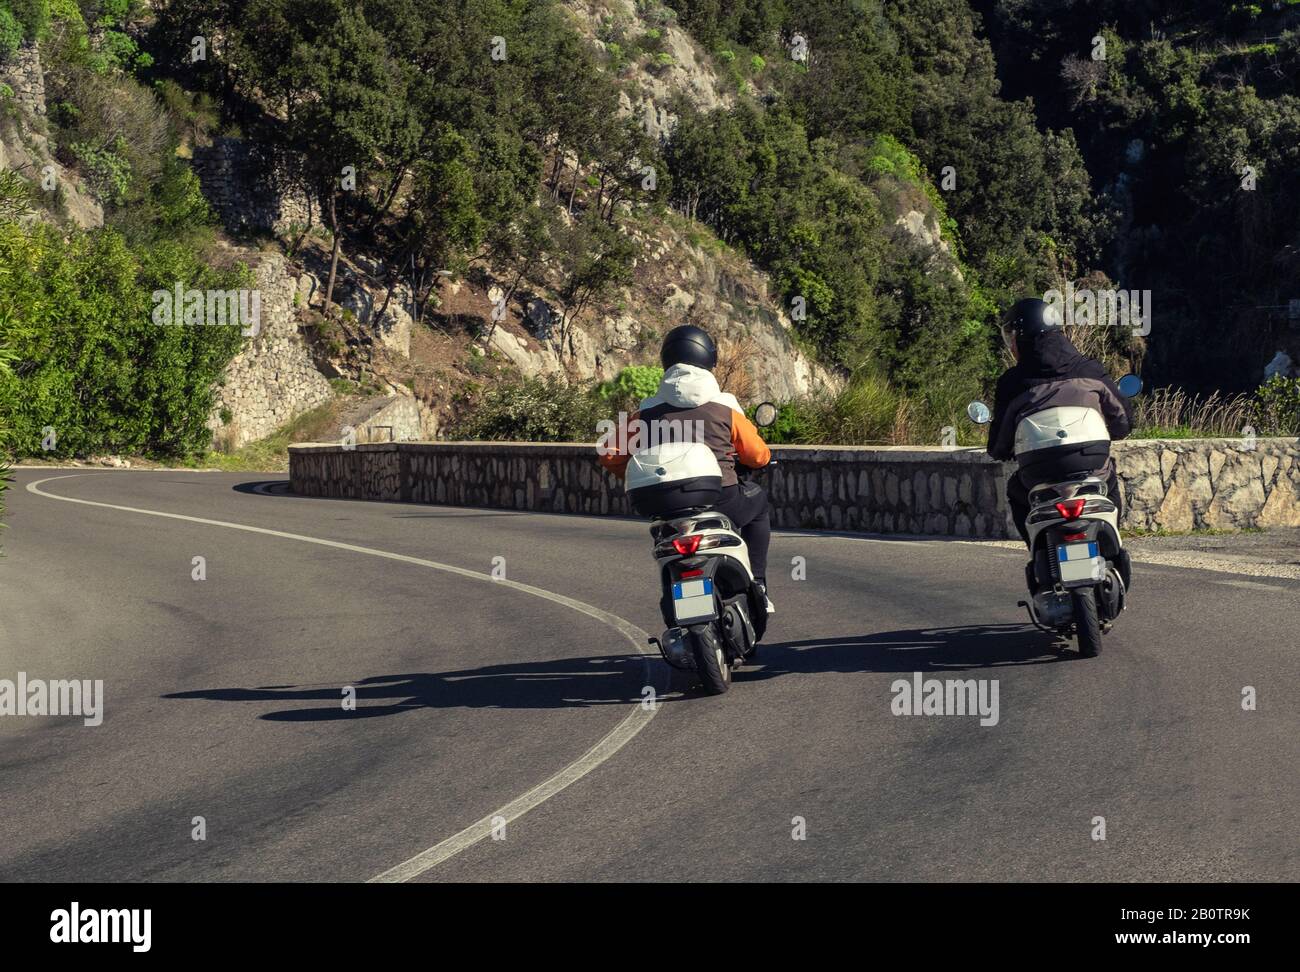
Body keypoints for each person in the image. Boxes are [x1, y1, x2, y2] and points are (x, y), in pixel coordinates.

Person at [598, 324, 775, 612]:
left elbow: (609, 454)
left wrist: (635, 471)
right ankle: (758, 583)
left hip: (666, 507)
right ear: (709, 359)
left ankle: (685, 603)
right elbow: (757, 457)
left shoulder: (645, 411)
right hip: (722, 500)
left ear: (666, 360)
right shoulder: (725, 406)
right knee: (759, 504)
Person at [986, 298, 1133, 553]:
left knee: (1016, 490)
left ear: (1021, 337)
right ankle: (1112, 546)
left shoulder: (1012, 383)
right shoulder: (1090, 369)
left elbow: (999, 445)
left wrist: (1003, 449)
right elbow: (1123, 421)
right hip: (1089, 460)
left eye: (1011, 336)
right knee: (1108, 480)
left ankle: (1037, 552)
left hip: (1039, 469)